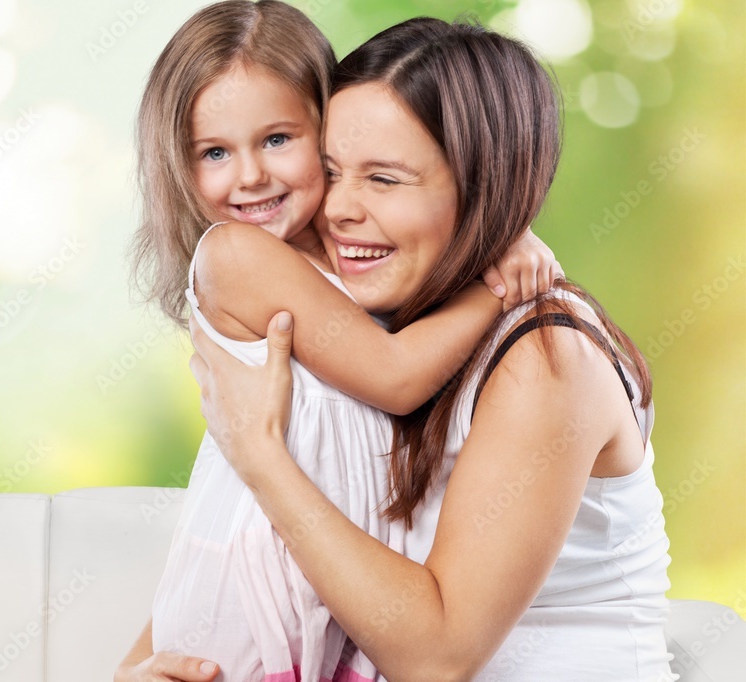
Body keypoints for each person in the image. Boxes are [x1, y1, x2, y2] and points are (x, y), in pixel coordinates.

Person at [183, 17, 674, 682]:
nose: (339, 209)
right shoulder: (383, 334)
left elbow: (437, 659)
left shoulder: (546, 359)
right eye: (331, 171)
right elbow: (249, 536)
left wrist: (261, 457)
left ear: (485, 189)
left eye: (384, 179)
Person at [122, 3, 561, 681]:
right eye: (214, 152)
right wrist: (498, 284)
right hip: (251, 618)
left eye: (277, 139)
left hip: (333, 617)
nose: (250, 176)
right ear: (178, 166)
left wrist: (500, 229)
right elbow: (395, 376)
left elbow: (431, 213)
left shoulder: (346, 250)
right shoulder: (235, 255)